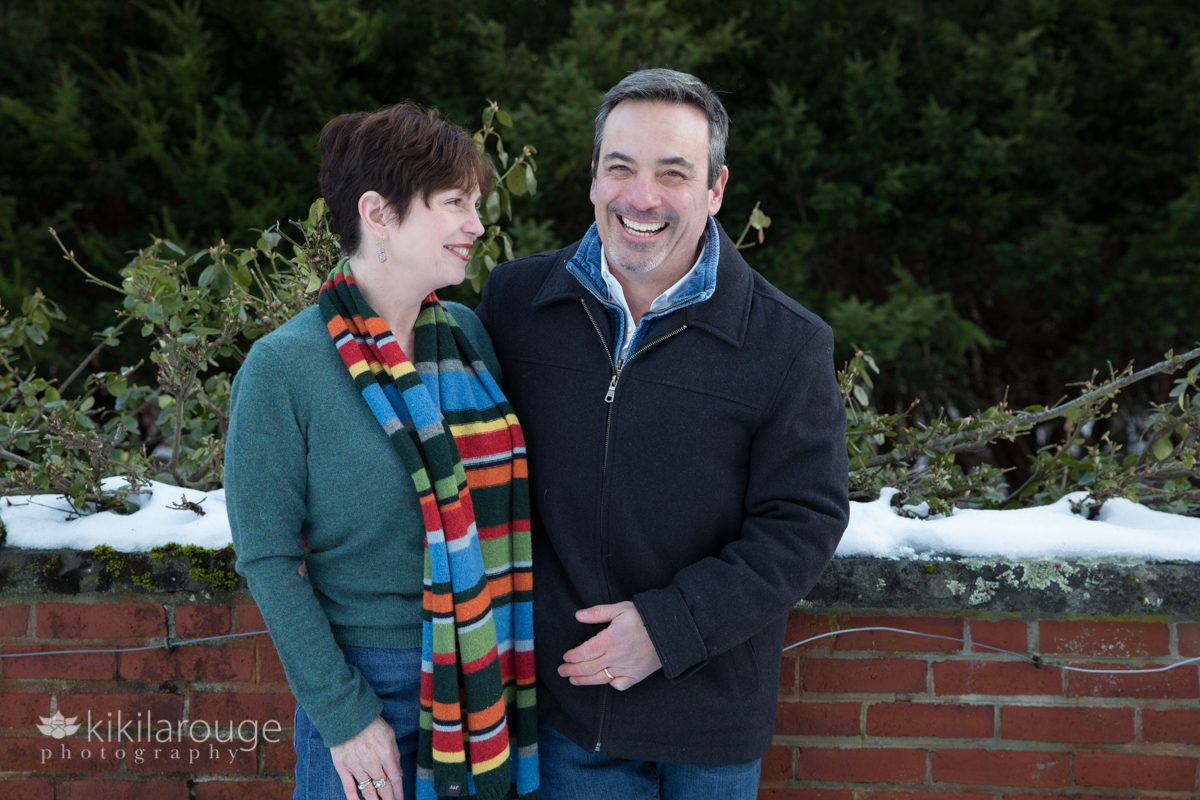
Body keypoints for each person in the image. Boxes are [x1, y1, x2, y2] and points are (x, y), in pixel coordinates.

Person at [476, 68, 849, 798]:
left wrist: (668, 628)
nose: (641, 198)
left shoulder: (786, 342)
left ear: (715, 189)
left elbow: (803, 519)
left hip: (709, 723)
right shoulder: (517, 305)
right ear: (592, 177)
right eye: (621, 168)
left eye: (673, 174)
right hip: (566, 712)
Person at [225, 103, 538, 800]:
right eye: (455, 203)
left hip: (482, 673)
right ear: (379, 213)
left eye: (477, 204)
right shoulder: (285, 368)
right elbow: (269, 558)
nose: (477, 225)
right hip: (368, 688)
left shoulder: (464, 338)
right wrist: (342, 716)